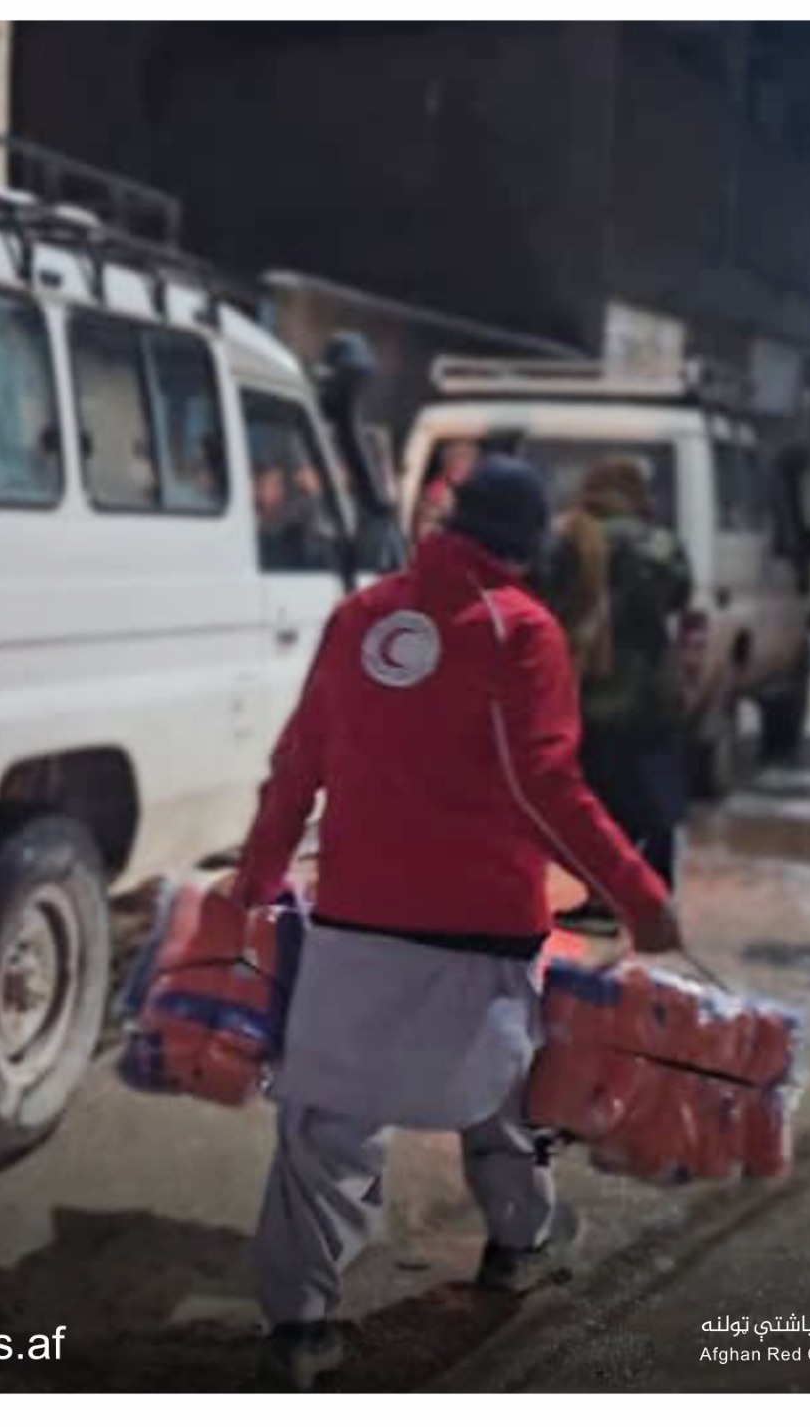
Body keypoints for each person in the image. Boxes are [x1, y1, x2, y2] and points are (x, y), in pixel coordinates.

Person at [209, 455, 681, 1389]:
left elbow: (299, 763)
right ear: (525, 541)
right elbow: (544, 787)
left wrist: (254, 880)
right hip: (481, 921)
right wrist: (638, 893)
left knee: (325, 1120)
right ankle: (520, 1244)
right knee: (503, 1096)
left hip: (354, 913)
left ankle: (299, 1331)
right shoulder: (520, 632)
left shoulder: (360, 615)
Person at [540, 459, 696, 930]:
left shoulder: (566, 537)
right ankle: (655, 896)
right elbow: (679, 596)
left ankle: (597, 898)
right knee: (657, 802)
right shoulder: (661, 545)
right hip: (650, 697)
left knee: (596, 800)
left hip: (587, 692)